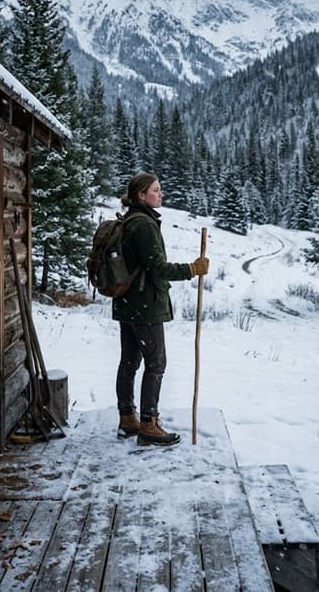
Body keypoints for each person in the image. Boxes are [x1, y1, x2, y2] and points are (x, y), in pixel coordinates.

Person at [113, 172, 209, 446]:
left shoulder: (132, 219)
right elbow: (158, 268)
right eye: (156, 190)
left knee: (130, 362)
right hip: (144, 306)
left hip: (128, 303)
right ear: (141, 195)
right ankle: (148, 424)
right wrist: (192, 269)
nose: (161, 193)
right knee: (156, 364)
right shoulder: (143, 225)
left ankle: (127, 418)